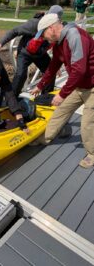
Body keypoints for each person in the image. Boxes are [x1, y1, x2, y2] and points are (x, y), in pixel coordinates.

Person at [30, 13, 94, 168]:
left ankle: (92, 154)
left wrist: (62, 94)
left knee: (87, 123)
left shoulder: (74, 36)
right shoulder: (59, 43)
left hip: (92, 86)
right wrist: (40, 85)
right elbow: (53, 67)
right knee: (60, 112)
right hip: (79, 86)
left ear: (51, 28)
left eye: (43, 34)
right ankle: (45, 137)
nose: (44, 39)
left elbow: (79, 70)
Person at [0, 5, 64, 96]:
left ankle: (46, 97)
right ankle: (12, 98)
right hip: (25, 53)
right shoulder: (34, 24)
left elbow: (57, 46)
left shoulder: (57, 28)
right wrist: (1, 43)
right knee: (21, 75)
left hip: (40, 54)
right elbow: (15, 31)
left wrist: (56, 66)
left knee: (50, 72)